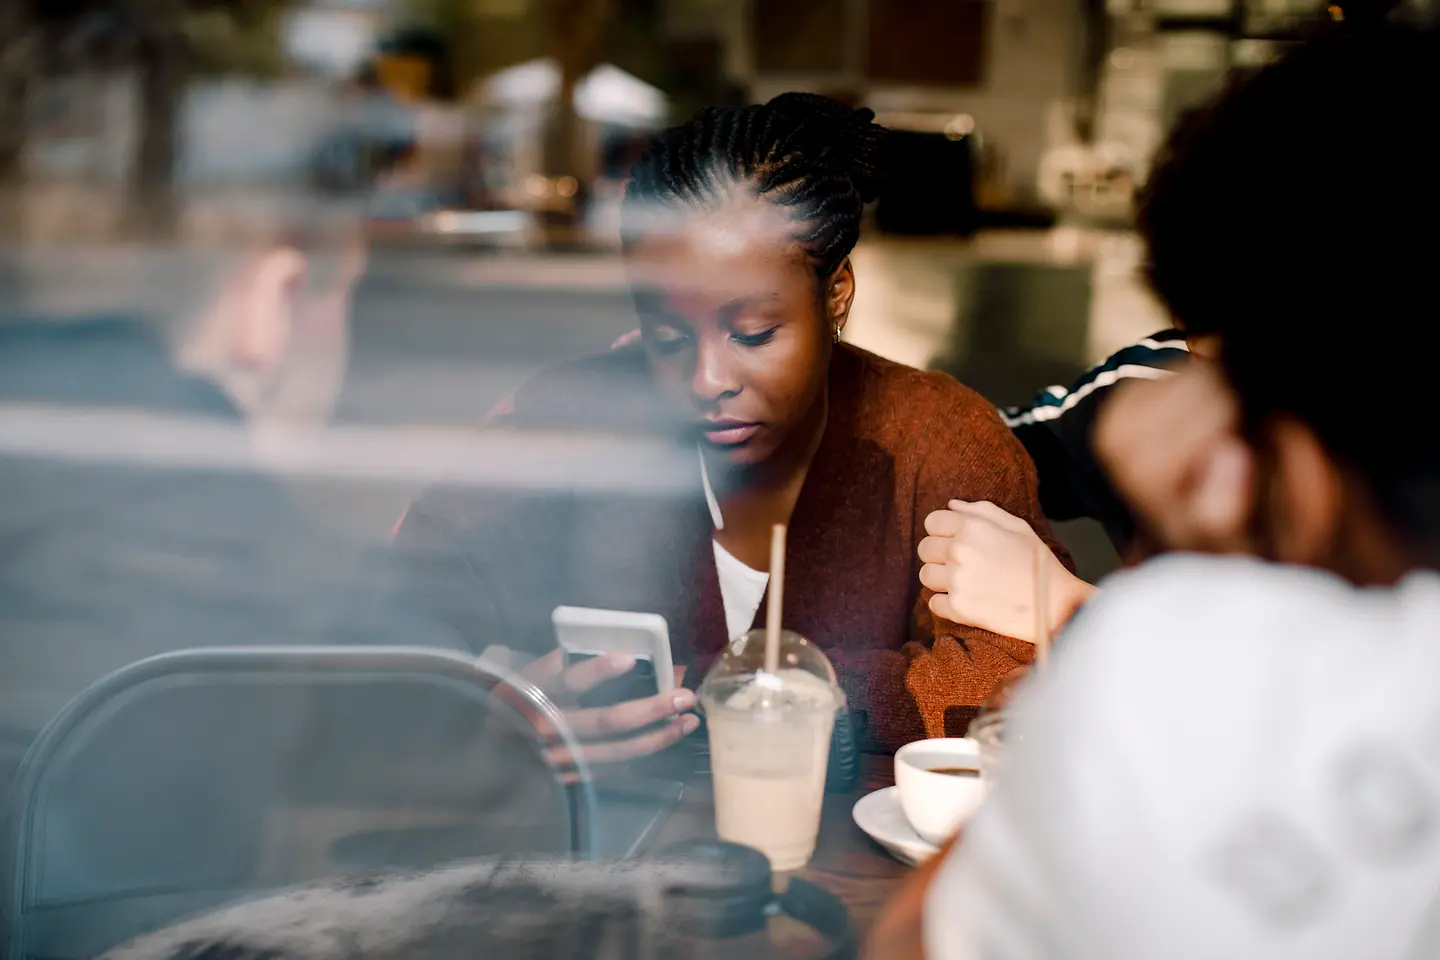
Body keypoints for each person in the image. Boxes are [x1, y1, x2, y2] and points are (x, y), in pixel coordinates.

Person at [870, 19, 1440, 959]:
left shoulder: (1159, 672)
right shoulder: (1152, 397)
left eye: (1230, 367)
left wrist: (1081, 605)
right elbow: (985, 445)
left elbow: (912, 940)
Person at [395, 93, 1070, 756]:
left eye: (752, 333)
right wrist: (498, 706)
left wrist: (754, 693)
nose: (705, 381)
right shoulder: (574, 418)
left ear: (836, 294)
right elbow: (399, 608)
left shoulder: (939, 440)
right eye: (666, 338)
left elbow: (1021, 677)